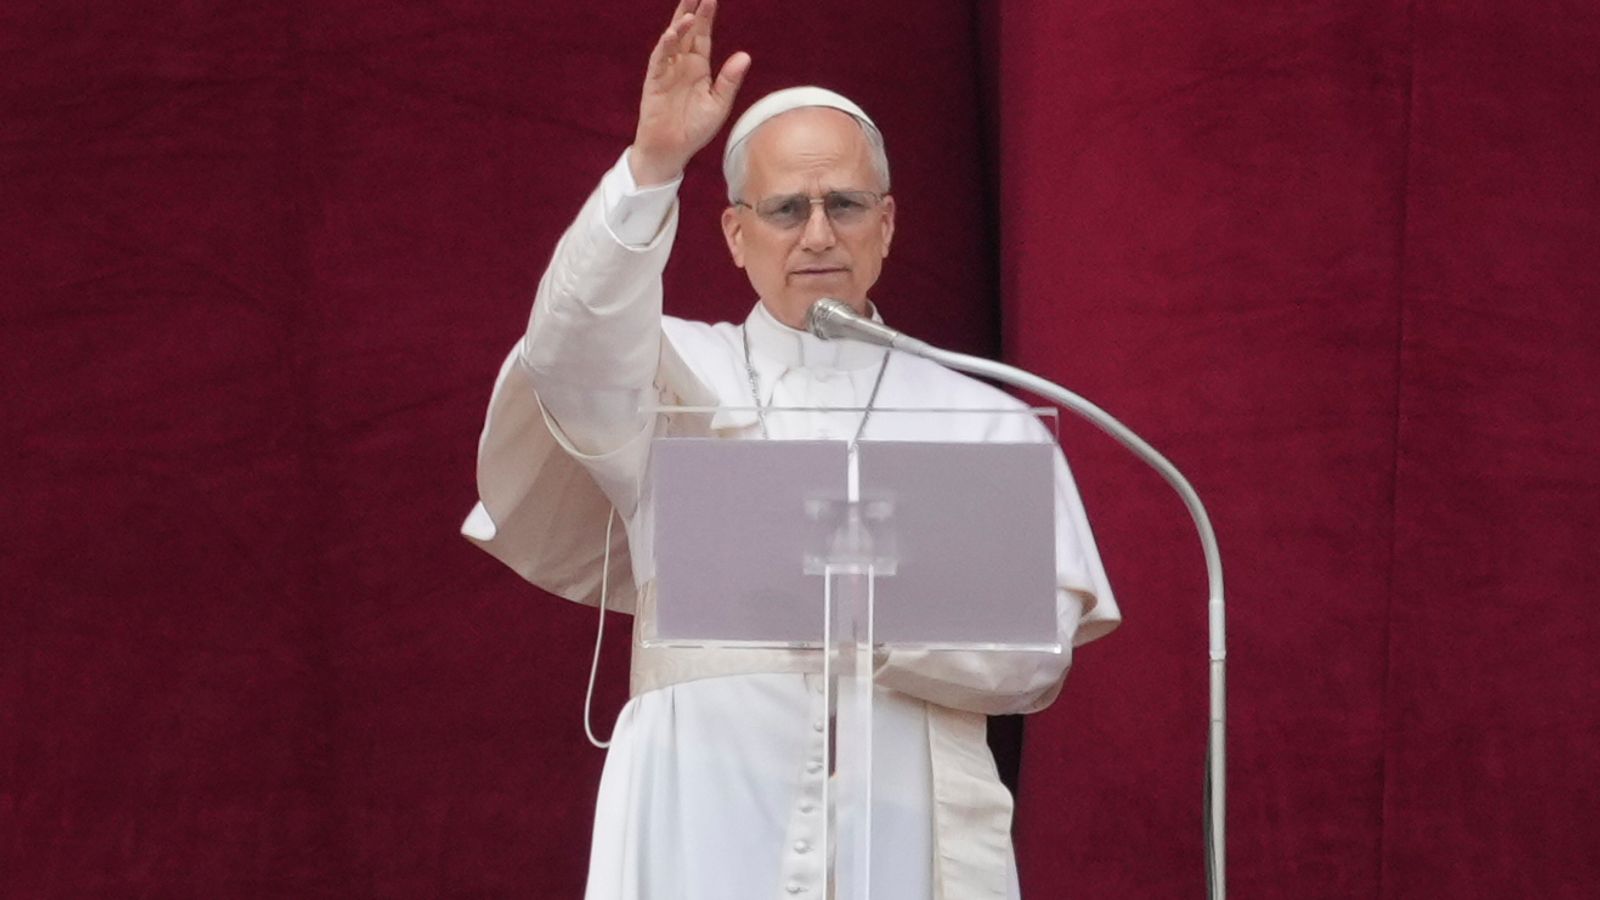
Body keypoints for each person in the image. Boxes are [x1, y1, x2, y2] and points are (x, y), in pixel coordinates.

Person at [460, 2, 1120, 897]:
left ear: (886, 224)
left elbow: (1037, 653)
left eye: (844, 205)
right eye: (784, 209)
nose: (817, 234)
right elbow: (566, 352)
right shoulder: (668, 380)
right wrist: (652, 167)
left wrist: (843, 601)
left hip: (903, 833)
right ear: (736, 235)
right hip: (698, 824)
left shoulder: (977, 416)